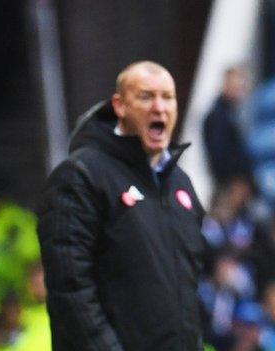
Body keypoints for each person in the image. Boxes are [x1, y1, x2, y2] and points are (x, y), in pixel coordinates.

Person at [37, 61, 206, 350]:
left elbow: (188, 292)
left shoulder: (181, 185)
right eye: (145, 96)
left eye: (167, 97)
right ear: (120, 106)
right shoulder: (82, 175)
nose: (159, 107)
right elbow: (71, 291)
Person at [202, 65, 252, 187]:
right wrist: (236, 177)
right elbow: (219, 153)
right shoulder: (219, 116)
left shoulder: (231, 113)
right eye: (237, 85)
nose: (241, 90)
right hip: (228, 183)